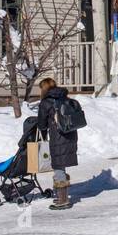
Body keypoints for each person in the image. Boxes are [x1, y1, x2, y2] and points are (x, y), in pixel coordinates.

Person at [35, 77, 78, 210]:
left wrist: (42, 130)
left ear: (44, 88)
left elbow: (41, 124)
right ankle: (61, 195)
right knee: (61, 165)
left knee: (58, 166)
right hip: (70, 135)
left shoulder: (46, 103)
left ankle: (63, 200)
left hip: (58, 138)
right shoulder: (65, 98)